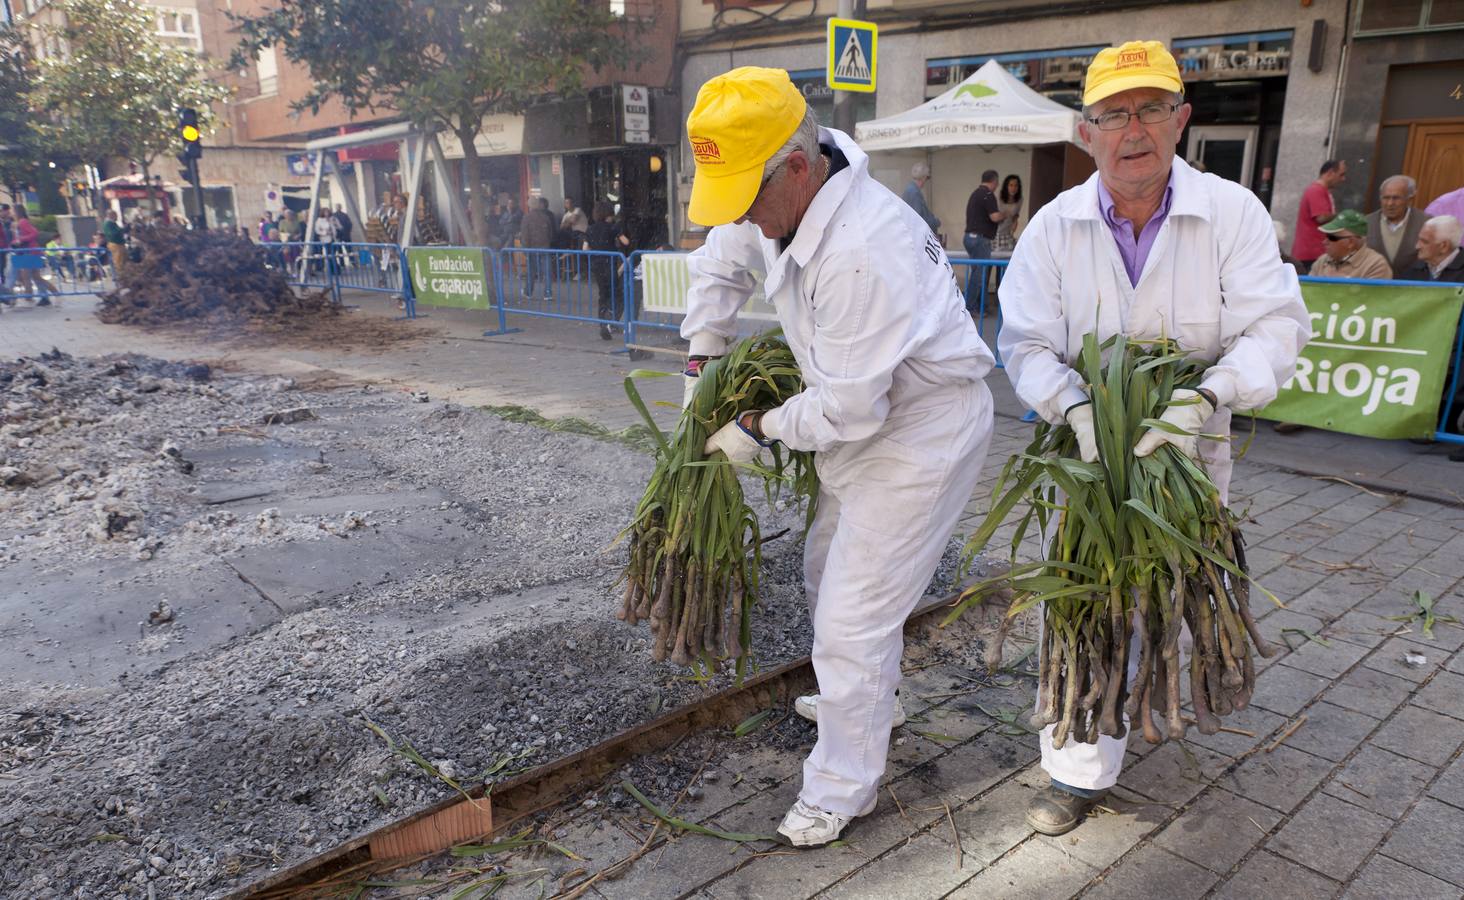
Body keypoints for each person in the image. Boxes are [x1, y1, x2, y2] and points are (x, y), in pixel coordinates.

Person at [999, 40, 1309, 836]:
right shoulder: (1052, 228)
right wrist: (1072, 407)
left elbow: (1274, 329)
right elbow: (1026, 342)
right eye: (1113, 114)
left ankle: (1133, 707)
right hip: (1087, 459)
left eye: (1151, 109)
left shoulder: (1232, 213)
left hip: (1188, 451)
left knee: (1152, 599)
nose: (1133, 129)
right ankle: (1076, 767)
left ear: (1182, 120)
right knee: (1085, 595)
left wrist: (1206, 398)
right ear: (1086, 132)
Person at [679, 66, 995, 847]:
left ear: (795, 166)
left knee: (855, 617)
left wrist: (756, 428)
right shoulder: (780, 183)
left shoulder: (863, 249)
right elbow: (725, 257)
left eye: (748, 197)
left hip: (920, 431)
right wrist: (700, 353)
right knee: (828, 572)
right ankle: (860, 700)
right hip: (866, 419)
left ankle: (842, 785)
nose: (743, 215)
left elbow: (853, 407)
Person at [583, 201, 631, 340]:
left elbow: (584, 249)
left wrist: (596, 249)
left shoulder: (590, 229)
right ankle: (611, 319)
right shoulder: (613, 227)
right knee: (617, 294)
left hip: (597, 264)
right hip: (609, 263)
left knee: (603, 294)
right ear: (608, 214)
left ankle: (602, 322)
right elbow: (626, 242)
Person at [1291, 159, 1345, 273]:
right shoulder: (1316, 190)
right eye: (1341, 175)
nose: (1343, 179)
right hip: (1310, 254)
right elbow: (1321, 217)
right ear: (1330, 173)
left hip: (1313, 253)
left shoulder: (1320, 190)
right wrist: (1344, 216)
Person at [1366, 175, 1425, 278]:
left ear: (1410, 199)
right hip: (1373, 288)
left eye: (1396, 198)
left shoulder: (1426, 223)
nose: (1390, 203)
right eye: (1386, 198)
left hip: (1410, 288)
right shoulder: (1366, 222)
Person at [1310, 209, 1392, 280]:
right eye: (1325, 236)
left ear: (1350, 242)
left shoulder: (1376, 265)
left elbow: (1372, 297)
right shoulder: (1321, 262)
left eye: (1331, 237)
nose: (1324, 242)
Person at [963, 169, 1003, 312]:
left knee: (978, 273)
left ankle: (982, 306)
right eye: (997, 183)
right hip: (980, 239)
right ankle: (969, 307)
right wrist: (1006, 214)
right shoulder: (988, 195)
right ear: (994, 181)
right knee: (979, 275)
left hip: (970, 237)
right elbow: (994, 217)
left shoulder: (975, 193)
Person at [9, 207, 60, 305]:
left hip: (29, 251)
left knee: (27, 276)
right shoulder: (20, 222)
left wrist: (20, 239)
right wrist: (16, 241)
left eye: (13, 211)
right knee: (33, 276)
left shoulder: (22, 222)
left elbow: (34, 233)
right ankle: (52, 292)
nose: (11, 213)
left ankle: (29, 296)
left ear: (17, 212)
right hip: (28, 251)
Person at [1403, 215, 1464, 284]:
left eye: (1424, 242)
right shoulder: (1414, 269)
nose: (1417, 246)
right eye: (1419, 239)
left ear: (1444, 246)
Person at [519, 196, 556, 299]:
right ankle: (548, 294)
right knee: (547, 272)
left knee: (531, 271)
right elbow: (550, 233)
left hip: (532, 248)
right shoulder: (546, 217)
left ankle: (528, 292)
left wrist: (525, 249)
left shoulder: (526, 218)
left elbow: (525, 235)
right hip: (545, 247)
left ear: (529, 206)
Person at [900, 162, 940, 235]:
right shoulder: (914, 193)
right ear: (924, 177)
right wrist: (935, 222)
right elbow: (918, 220)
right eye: (927, 178)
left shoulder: (910, 190)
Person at [993, 174, 1024, 254]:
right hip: (995, 232)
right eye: (1011, 185)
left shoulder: (1019, 199)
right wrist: (1004, 215)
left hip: (1008, 233)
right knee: (991, 260)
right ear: (1006, 186)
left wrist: (1013, 226)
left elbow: (1015, 216)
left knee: (1007, 258)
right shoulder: (999, 196)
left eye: (1016, 186)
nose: (1013, 188)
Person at [101, 210, 127, 278]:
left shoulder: (113, 223)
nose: (117, 217)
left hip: (119, 243)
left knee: (123, 260)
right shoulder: (108, 224)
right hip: (115, 244)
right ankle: (121, 276)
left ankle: (123, 274)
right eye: (116, 215)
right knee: (118, 261)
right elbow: (112, 234)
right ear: (111, 215)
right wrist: (121, 230)